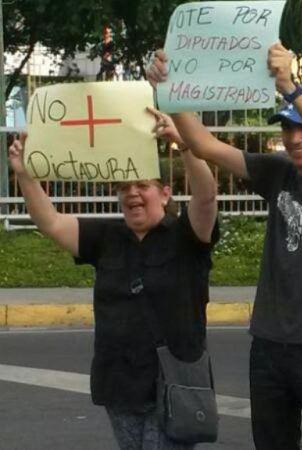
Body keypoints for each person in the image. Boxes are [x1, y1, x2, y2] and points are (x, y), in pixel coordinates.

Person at [147, 43, 302, 450]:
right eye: (288, 129)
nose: (296, 138)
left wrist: (289, 86)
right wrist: (168, 90)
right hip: (267, 347)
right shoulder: (278, 172)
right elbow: (206, 145)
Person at [7, 110, 219, 450]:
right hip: (119, 383)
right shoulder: (107, 236)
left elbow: (206, 196)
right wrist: (25, 175)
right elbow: (50, 222)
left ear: (165, 193)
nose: (132, 194)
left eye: (142, 185)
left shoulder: (187, 237)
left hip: (172, 384)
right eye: (124, 187)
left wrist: (184, 146)